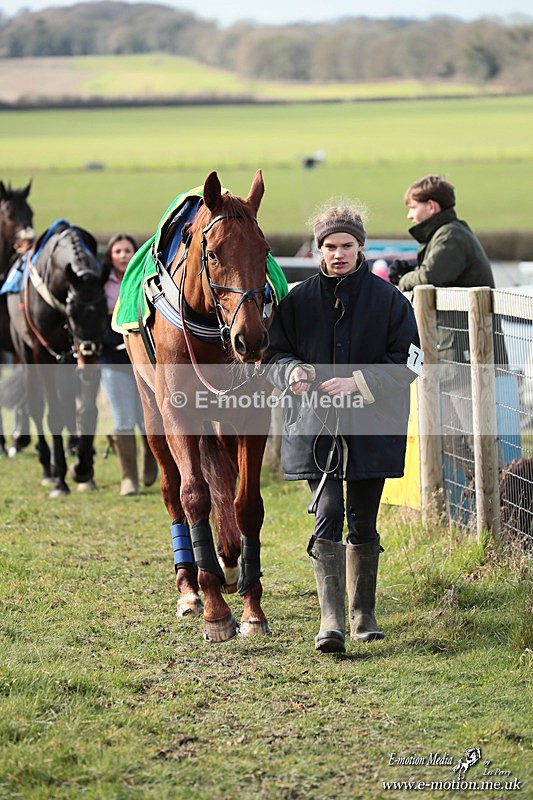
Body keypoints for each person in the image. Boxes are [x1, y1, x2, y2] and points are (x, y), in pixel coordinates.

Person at [265, 199, 420, 653]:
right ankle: (330, 620)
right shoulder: (296, 302)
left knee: (364, 521)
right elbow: (273, 354)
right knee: (329, 511)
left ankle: (363, 615)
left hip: (373, 426)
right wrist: (291, 370)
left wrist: (358, 382)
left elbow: (410, 362)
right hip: (315, 429)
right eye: (330, 246)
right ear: (318, 250)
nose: (338, 253)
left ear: (361, 248)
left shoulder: (389, 300)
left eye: (346, 245)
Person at [100, 233, 157, 495]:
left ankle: (151, 456)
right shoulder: (101, 286)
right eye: (118, 251)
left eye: (127, 251)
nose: (123, 255)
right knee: (123, 418)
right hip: (113, 360)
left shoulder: (146, 281)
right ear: (110, 256)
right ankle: (127, 478)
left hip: (145, 358)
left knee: (147, 417)